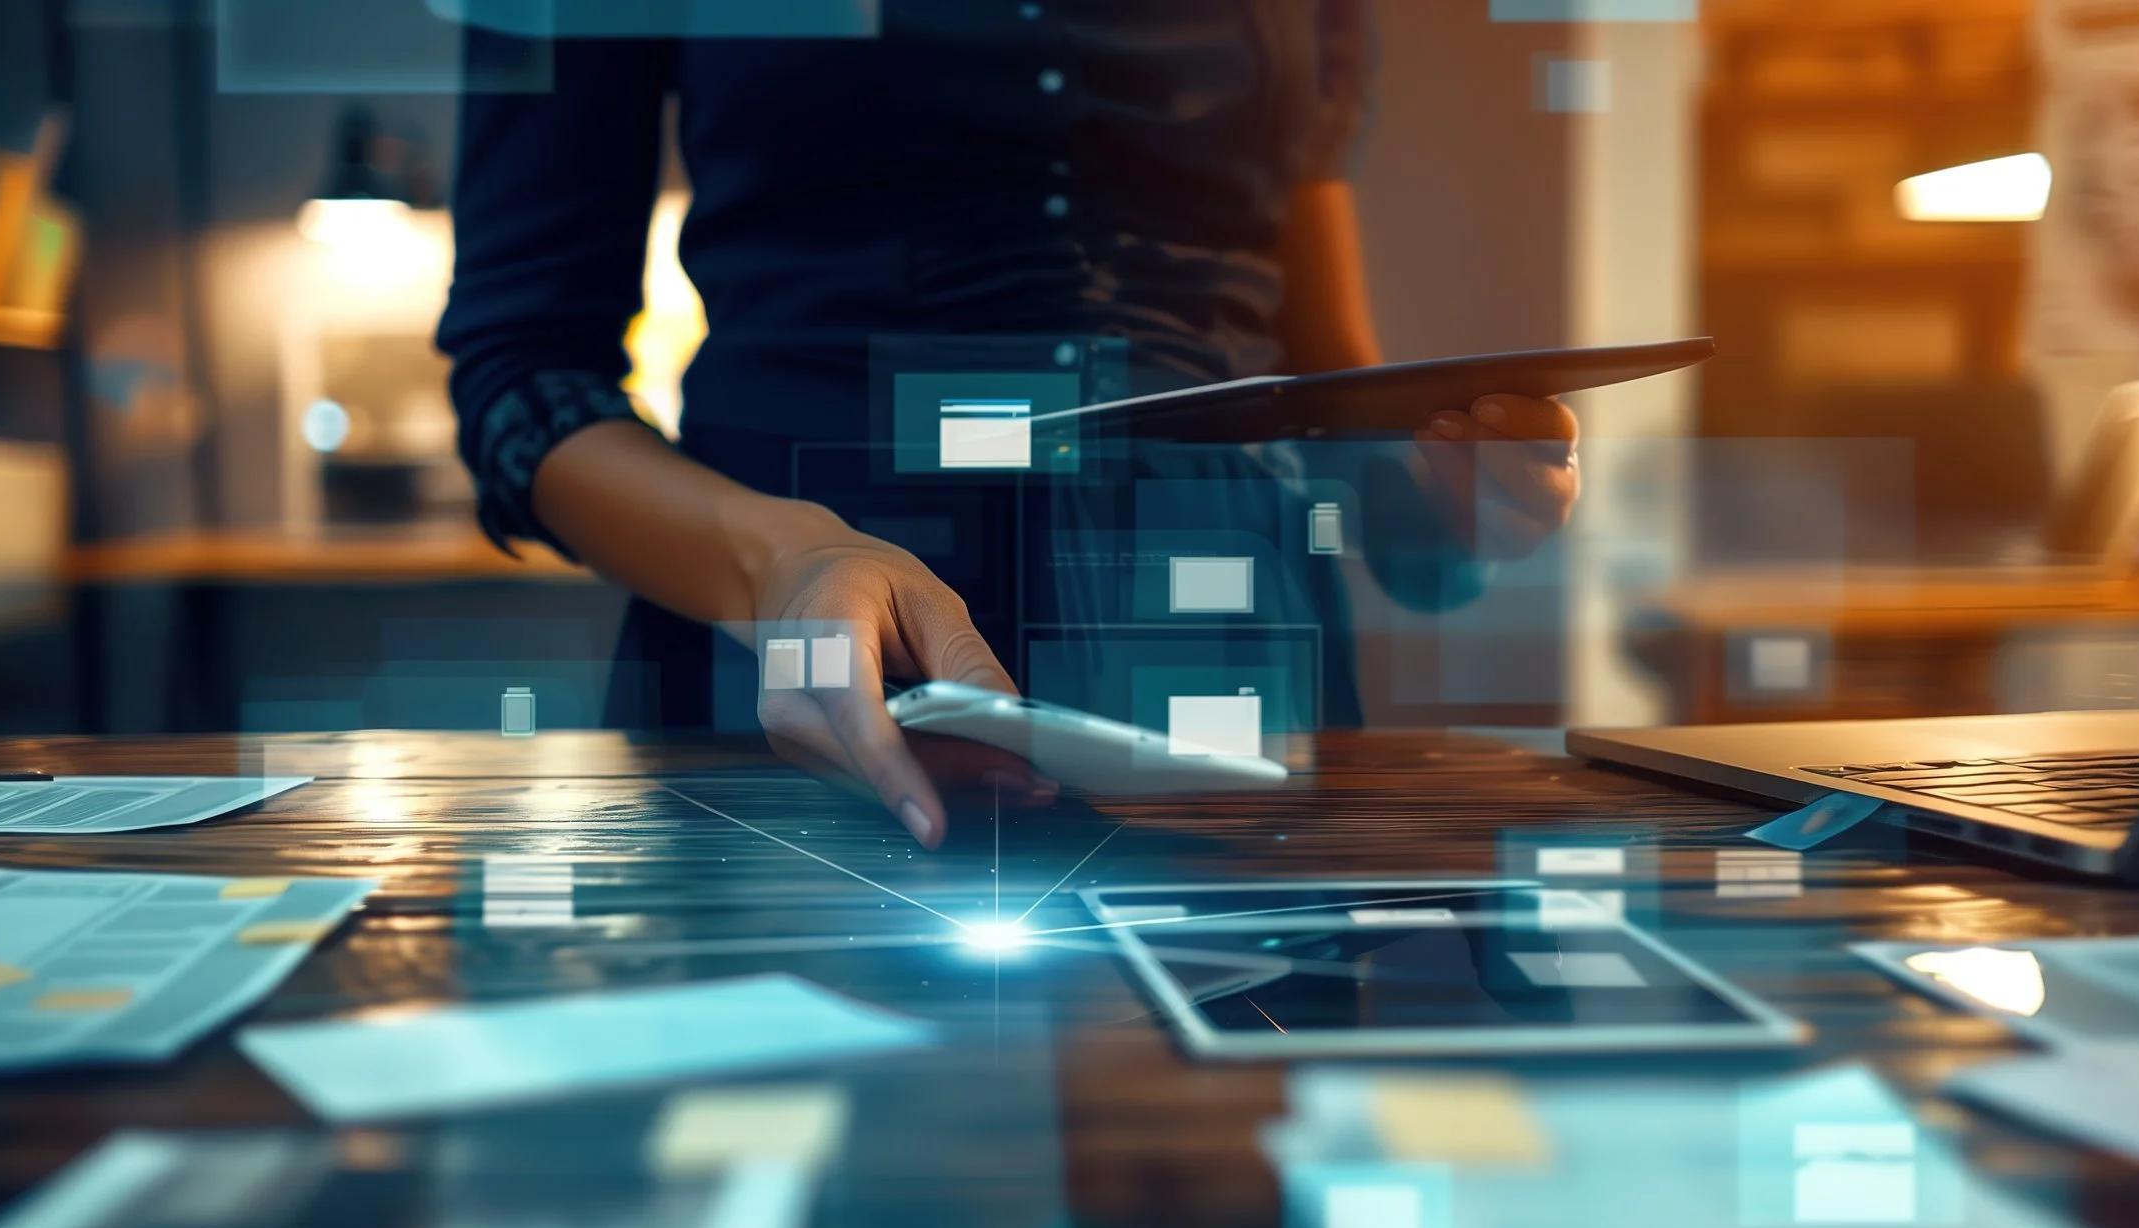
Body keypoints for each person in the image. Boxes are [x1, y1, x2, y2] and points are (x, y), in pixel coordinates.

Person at [437, 3, 1580, 849]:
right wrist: (781, 562)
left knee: (1250, 1135)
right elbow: (524, 378)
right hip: (817, 677)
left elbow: (1330, 396)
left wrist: (1447, 501)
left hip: (1235, 674)